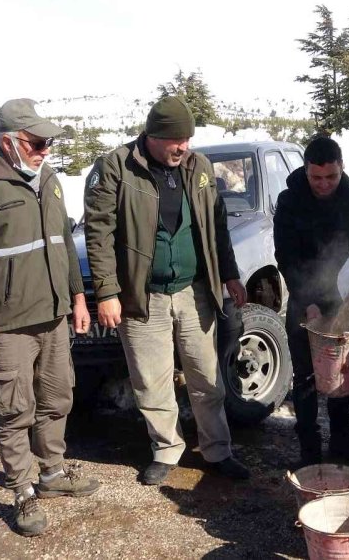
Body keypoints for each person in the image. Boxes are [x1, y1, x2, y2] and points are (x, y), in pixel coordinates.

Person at [0, 98, 98, 537]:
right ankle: (22, 490)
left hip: (53, 316)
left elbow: (65, 244)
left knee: (57, 398)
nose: (45, 149)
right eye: (37, 142)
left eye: (48, 142)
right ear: (8, 141)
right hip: (4, 323)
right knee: (14, 410)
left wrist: (77, 298)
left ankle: (51, 473)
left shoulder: (47, 179)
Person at [84, 96, 250, 485]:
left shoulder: (200, 167)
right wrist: (108, 292)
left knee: (206, 374)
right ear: (153, 135)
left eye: (188, 139)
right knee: (151, 379)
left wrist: (230, 274)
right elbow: (99, 233)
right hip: (143, 296)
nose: (183, 147)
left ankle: (217, 450)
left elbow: (217, 225)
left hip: (194, 293)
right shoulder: (117, 167)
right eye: (176, 139)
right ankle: (166, 449)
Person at [273, 136, 349, 467]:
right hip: (305, 302)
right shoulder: (289, 201)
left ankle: (342, 439)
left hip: (343, 302)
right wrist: (306, 302)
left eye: (330, 177)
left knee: (342, 375)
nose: (323, 184)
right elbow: (285, 256)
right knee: (305, 377)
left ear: (340, 168)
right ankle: (308, 446)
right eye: (316, 177)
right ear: (306, 170)